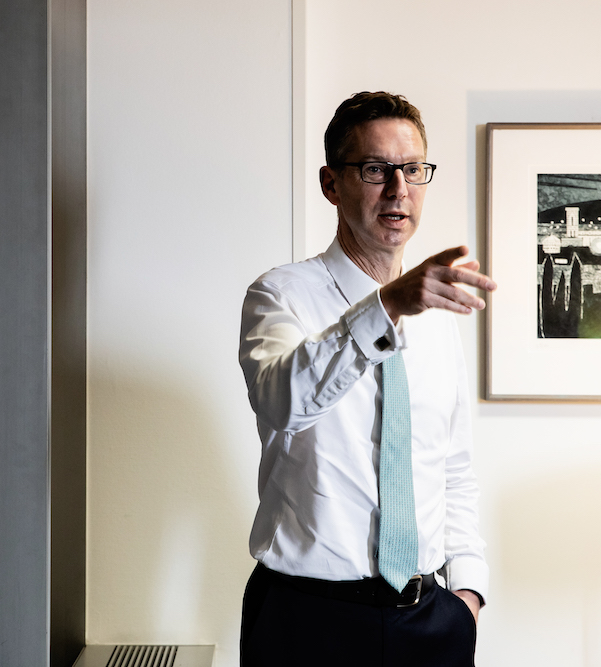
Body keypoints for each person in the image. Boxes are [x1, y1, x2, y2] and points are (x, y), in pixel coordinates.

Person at [238, 91, 495, 667]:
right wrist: (387, 307)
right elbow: (284, 401)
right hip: (307, 621)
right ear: (332, 184)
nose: (399, 188)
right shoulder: (279, 295)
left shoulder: (438, 317)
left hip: (431, 619)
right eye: (376, 169)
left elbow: (451, 467)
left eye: (413, 170)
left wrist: (468, 594)